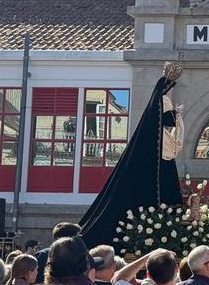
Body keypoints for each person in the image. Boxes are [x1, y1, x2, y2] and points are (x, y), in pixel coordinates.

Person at [79, 62, 185, 248]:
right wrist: (176, 116)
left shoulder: (160, 106)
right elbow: (167, 122)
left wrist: (175, 116)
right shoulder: (160, 104)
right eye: (169, 86)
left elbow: (168, 126)